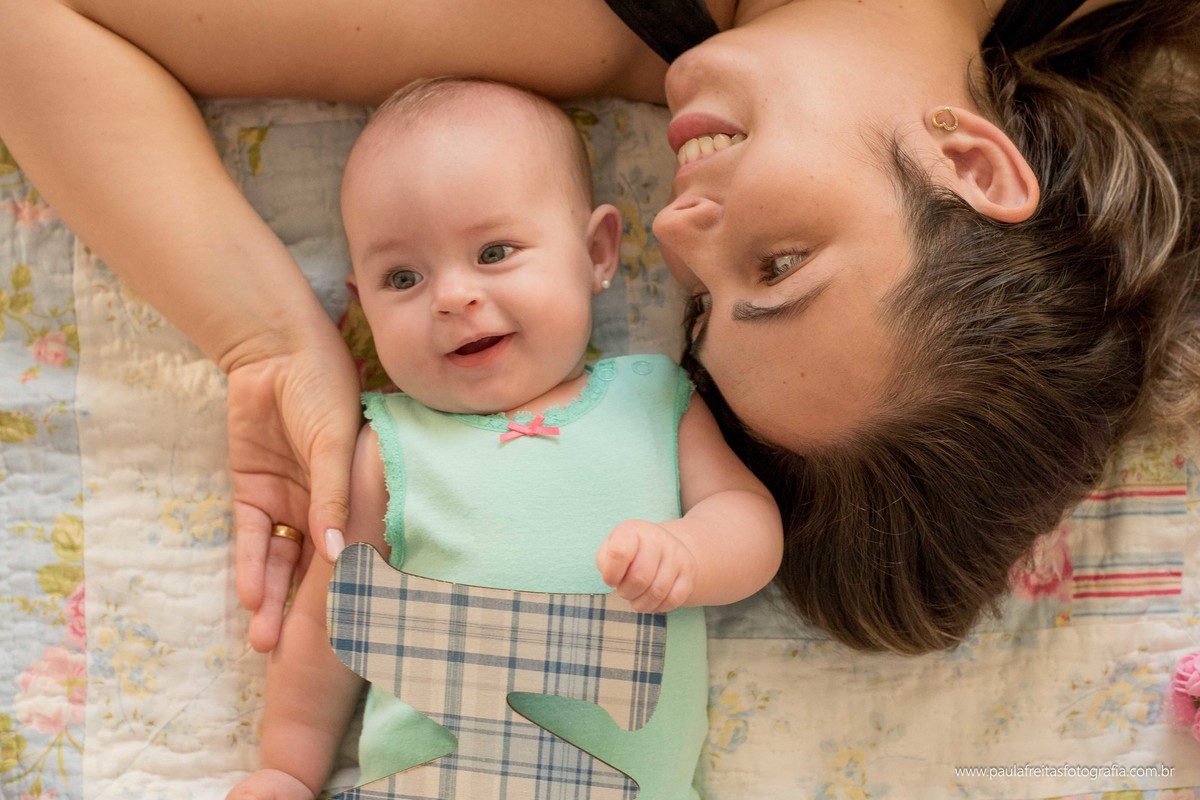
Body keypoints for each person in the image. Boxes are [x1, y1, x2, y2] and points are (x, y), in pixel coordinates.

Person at [0, 0, 1196, 654]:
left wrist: (268, 340)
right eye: (778, 264)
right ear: (970, 164)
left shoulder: (583, 23)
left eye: (702, 300)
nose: (678, 226)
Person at [224, 77, 783, 799]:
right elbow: (331, 624)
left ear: (597, 253)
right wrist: (286, 768)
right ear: (362, 308)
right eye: (403, 277)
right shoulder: (392, 447)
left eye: (494, 252)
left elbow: (749, 518)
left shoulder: (651, 399)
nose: (452, 296)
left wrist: (691, 554)